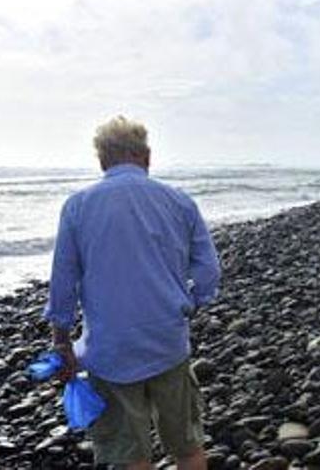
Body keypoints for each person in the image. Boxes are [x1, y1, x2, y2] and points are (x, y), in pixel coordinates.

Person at [44, 116, 220, 470]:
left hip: (110, 349)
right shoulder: (179, 201)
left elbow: (63, 280)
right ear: (147, 156)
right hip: (168, 340)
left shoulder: (78, 206)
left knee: (130, 453)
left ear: (102, 160)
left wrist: (61, 341)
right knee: (186, 445)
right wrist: (194, 303)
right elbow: (208, 270)